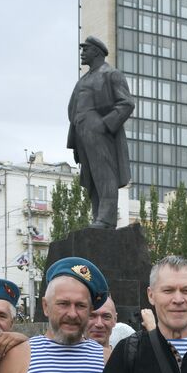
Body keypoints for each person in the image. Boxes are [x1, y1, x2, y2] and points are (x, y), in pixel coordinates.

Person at [66, 36, 135, 229]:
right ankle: (98, 217)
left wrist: (104, 124)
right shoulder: (83, 80)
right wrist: (75, 140)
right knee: (91, 178)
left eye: (85, 49)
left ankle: (106, 219)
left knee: (105, 174)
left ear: (96, 51)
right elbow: (74, 110)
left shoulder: (111, 74)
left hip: (99, 131)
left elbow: (127, 103)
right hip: (82, 133)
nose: (82, 53)